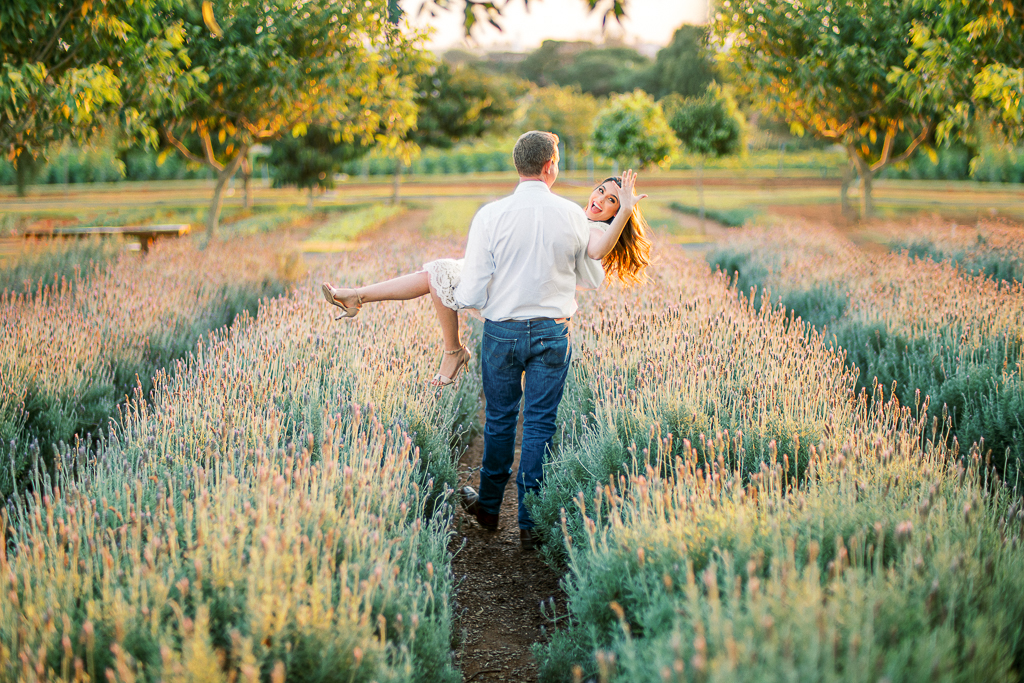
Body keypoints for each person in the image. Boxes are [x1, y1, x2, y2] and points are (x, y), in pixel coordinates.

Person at [323, 131, 651, 548]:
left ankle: (491, 508)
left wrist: (468, 297)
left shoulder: (490, 215)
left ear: (519, 164)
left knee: (499, 420)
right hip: (552, 332)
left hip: (502, 332)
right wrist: (623, 210)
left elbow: (475, 289)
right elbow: (595, 260)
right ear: (550, 166)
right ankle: (531, 524)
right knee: (539, 425)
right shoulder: (572, 215)